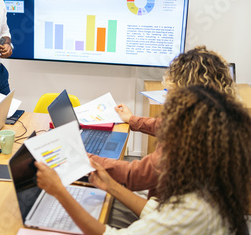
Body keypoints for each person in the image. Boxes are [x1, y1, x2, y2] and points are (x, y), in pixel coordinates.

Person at [36, 85, 251, 234]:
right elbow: (158, 212)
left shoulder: (194, 209)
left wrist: (60, 192)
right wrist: (111, 185)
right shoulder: (213, 185)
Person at [89, 46, 237, 199]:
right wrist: (132, 120)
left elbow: (132, 175)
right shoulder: (216, 119)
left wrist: (81, 157)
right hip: (190, 205)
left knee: (101, 202)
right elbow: (165, 125)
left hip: (167, 210)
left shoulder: (187, 141)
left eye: (170, 91)